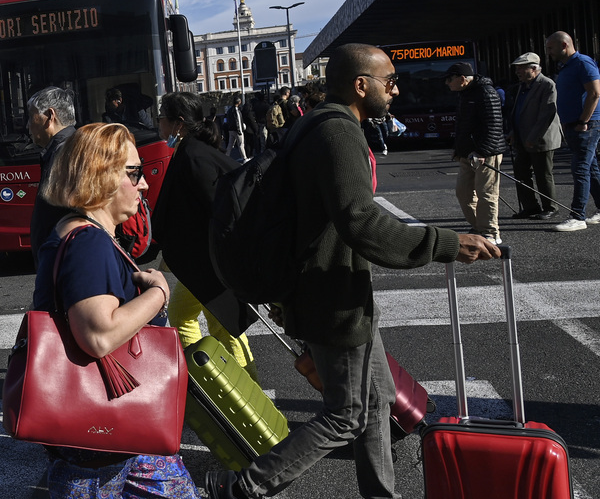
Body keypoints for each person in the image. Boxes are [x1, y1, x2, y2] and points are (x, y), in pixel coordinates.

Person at [206, 43, 500, 499]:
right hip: (332, 294)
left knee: (377, 403)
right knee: (348, 414)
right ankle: (244, 487)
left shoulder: (313, 123)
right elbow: (361, 221)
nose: (397, 90)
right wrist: (446, 243)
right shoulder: (339, 133)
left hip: (328, 287)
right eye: (390, 81)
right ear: (361, 85)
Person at [31, 122, 200, 498]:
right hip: (99, 437)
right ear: (102, 176)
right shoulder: (87, 242)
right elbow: (98, 334)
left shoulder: (87, 233)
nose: (143, 184)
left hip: (122, 429)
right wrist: (158, 293)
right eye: (134, 172)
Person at [152, 91, 258, 380]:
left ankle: (243, 388)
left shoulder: (193, 157)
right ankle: (204, 378)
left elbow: (220, 211)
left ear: (179, 124)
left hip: (211, 262)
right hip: (204, 260)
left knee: (224, 324)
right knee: (189, 314)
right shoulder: (192, 151)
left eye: (162, 116)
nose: (158, 122)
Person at [444, 61, 507, 244]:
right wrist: (459, 149)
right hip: (467, 153)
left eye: (450, 79)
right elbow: (463, 125)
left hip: (486, 153)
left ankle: (490, 232)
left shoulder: (486, 93)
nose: (447, 83)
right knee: (463, 193)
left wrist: (482, 151)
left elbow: (494, 125)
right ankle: (478, 226)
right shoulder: (465, 94)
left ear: (462, 79)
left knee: (486, 193)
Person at [544, 31, 600, 231]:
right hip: (575, 123)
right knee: (590, 168)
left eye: (550, 48)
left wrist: (583, 121)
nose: (548, 52)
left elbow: (595, 92)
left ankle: (578, 216)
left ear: (564, 45)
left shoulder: (583, 63)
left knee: (581, 168)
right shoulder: (566, 66)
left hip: (585, 124)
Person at [504, 51, 563, 220]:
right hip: (523, 138)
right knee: (521, 173)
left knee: (543, 174)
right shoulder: (523, 87)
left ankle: (550, 207)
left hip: (541, 139)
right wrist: (513, 132)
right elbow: (519, 112)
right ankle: (530, 207)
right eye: (517, 69)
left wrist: (533, 137)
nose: (517, 72)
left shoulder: (547, 84)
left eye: (521, 68)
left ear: (534, 68)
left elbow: (547, 114)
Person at [27, 86, 78, 269]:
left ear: (50, 116)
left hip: (64, 262)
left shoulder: (66, 153)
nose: (28, 125)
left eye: (31, 116)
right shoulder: (65, 148)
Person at [224, 96, 249, 162]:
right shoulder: (236, 110)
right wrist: (240, 131)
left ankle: (226, 157)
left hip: (231, 130)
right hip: (237, 130)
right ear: (239, 102)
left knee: (230, 145)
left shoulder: (230, 110)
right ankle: (244, 158)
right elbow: (238, 121)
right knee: (241, 144)